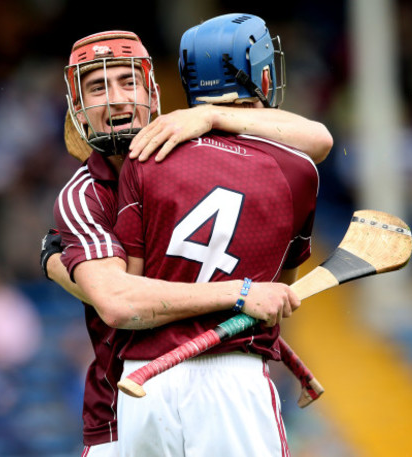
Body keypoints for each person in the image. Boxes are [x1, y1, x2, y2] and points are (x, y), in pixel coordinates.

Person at [44, 28, 332, 456]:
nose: (117, 98)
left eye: (127, 81)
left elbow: (318, 140)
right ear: (79, 110)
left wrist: (215, 115)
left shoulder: (197, 147)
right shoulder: (83, 196)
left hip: (196, 387)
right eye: (98, 87)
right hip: (118, 414)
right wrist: (240, 293)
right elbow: (119, 302)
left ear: (152, 93)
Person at [113, 13, 319, 456]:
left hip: (143, 380)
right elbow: (278, 291)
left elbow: (131, 288)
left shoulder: (144, 154)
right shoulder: (300, 172)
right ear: (263, 72)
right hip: (231, 381)